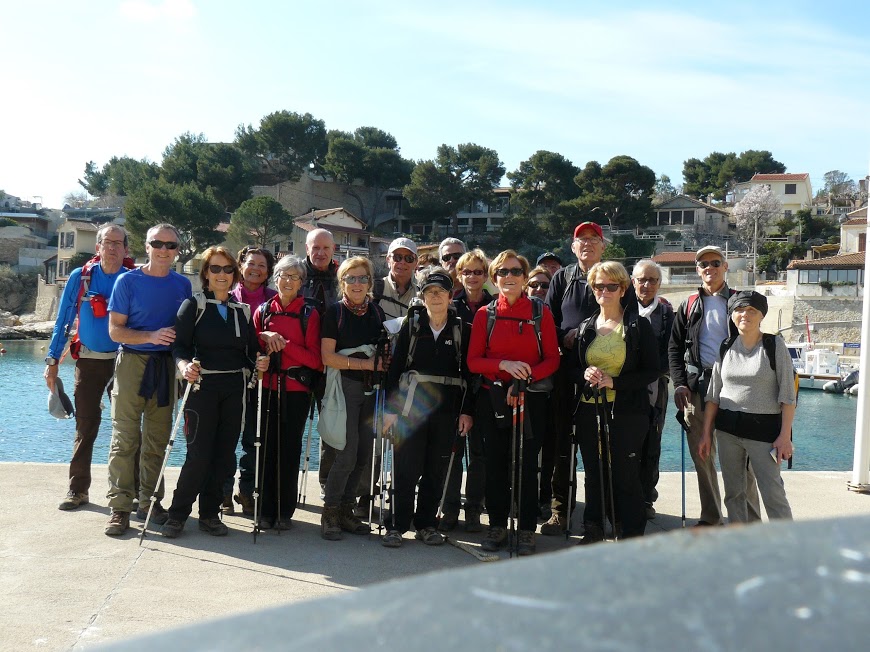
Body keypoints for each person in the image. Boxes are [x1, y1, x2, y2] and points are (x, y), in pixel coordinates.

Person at [161, 247, 269, 538]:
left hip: (235, 390)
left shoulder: (242, 310)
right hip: (201, 388)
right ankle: (177, 514)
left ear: (234, 274)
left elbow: (249, 351)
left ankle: (209, 514)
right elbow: (179, 347)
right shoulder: (192, 306)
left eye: (227, 269)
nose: (222, 275)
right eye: (215, 269)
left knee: (223, 456)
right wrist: (184, 365)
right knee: (198, 455)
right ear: (206, 274)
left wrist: (259, 359)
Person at [541, 221, 636, 536]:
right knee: (561, 445)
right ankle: (560, 512)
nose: (587, 244)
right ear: (572, 246)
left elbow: (631, 323)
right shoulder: (562, 278)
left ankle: (608, 513)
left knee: (605, 449)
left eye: (594, 239)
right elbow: (546, 322)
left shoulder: (618, 280)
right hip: (568, 373)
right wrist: (566, 334)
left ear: (603, 245)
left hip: (606, 375)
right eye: (581, 239)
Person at [467, 250, 560, 556]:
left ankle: (525, 530)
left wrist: (525, 379)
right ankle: (496, 524)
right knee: (495, 462)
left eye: (516, 271)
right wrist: (505, 366)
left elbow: (552, 359)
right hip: (492, 397)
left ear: (525, 276)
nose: (509, 277)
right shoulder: (485, 314)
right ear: (494, 278)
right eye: (503, 272)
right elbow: (473, 361)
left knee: (527, 464)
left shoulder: (540, 312)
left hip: (530, 399)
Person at [104, 223, 192, 536]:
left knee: (158, 440)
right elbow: (115, 331)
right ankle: (120, 508)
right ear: (147, 245)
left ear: (178, 251)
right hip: (131, 364)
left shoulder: (182, 286)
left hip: (166, 368)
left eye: (171, 245)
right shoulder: (127, 282)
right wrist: (151, 335)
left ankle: (150, 502)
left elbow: (186, 333)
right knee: (125, 438)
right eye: (158, 244)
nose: (164, 250)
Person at [380, 269, 474, 548]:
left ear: (450, 296)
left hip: (447, 410)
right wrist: (389, 409)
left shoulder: (461, 329)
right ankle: (396, 526)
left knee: (436, 468)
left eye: (441, 291)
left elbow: (470, 376)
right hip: (411, 408)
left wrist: (467, 411)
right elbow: (395, 369)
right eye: (430, 291)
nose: (435, 296)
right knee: (405, 467)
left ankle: (427, 524)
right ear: (422, 296)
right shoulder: (412, 325)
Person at [669, 246, 761, 527]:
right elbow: (674, 348)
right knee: (702, 454)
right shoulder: (688, 305)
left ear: (725, 267)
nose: (709, 267)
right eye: (703, 264)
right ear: (697, 270)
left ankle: (748, 521)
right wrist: (679, 385)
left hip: (735, 389)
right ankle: (711, 517)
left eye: (715, 263)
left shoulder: (740, 303)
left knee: (742, 457)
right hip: (698, 388)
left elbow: (756, 342)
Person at [45, 224, 133, 511]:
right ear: (98, 247)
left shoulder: (132, 280)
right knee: (85, 426)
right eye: (107, 242)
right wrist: (52, 361)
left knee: (128, 430)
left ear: (126, 249)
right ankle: (77, 490)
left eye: (118, 243)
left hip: (125, 362)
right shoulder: (81, 277)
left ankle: (128, 493)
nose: (112, 248)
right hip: (89, 360)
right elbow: (64, 320)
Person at [573, 262, 659, 544]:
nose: (604, 291)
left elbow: (651, 370)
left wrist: (615, 382)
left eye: (611, 286)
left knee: (626, 473)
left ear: (623, 289)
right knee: (594, 472)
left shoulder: (637, 326)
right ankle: (593, 528)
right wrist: (585, 372)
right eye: (598, 286)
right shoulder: (586, 327)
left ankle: (631, 534)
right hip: (589, 409)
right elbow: (572, 368)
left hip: (627, 412)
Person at [699, 291, 795, 523]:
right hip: (728, 432)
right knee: (733, 493)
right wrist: (706, 434)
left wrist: (785, 437)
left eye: (751, 310)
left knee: (772, 493)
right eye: (739, 310)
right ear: (732, 315)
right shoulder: (726, 346)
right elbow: (713, 395)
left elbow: (788, 397)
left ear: (762, 315)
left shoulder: (774, 346)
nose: (745, 315)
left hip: (764, 434)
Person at [318, 256, 386, 540]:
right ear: (342, 282)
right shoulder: (334, 313)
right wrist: (365, 364)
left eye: (362, 278)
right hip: (343, 389)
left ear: (370, 282)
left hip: (370, 391)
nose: (357, 284)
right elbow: (328, 357)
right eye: (351, 278)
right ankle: (330, 512)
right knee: (345, 453)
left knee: (363, 455)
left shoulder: (377, 313)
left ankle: (347, 511)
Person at [253, 255, 322, 530]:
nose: (289, 281)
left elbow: (316, 360)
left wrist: (282, 343)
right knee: (265, 448)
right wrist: (264, 338)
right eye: (284, 275)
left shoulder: (309, 313)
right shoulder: (263, 311)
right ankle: (264, 509)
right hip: (268, 387)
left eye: (295, 277)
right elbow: (253, 346)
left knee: (288, 450)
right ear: (275, 278)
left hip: (296, 391)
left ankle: (284, 511)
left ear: (302, 283)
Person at [441, 248, 493, 532]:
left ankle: (474, 509)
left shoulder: (496, 307)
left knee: (481, 455)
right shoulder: (451, 307)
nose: (472, 276)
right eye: (467, 271)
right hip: (456, 388)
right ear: (458, 274)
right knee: (452, 451)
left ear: (486, 275)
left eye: (478, 271)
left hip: (484, 387)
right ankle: (449, 509)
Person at [224, 246, 277, 516]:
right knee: (225, 435)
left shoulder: (275, 299)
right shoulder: (227, 296)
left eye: (262, 265)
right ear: (241, 265)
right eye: (250, 263)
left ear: (268, 272)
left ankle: (247, 492)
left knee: (252, 439)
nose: (255, 269)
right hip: (230, 375)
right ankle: (222, 491)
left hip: (261, 377)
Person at [631, 259, 675, 520]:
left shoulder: (668, 313)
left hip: (656, 386)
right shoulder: (621, 309)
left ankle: (646, 498)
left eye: (652, 280)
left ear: (659, 283)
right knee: (624, 443)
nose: (646, 285)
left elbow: (671, 351)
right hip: (624, 388)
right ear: (632, 281)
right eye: (641, 279)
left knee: (651, 444)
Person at [526, 265, 554, 516]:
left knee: (547, 451)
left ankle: (545, 499)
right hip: (523, 392)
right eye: (534, 284)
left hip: (550, 392)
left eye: (545, 285)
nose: (539, 289)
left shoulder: (555, 313)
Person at [375, 237, 419, 320]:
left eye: (408, 258)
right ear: (388, 260)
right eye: (397, 257)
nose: (402, 262)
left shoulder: (423, 293)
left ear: (415, 263)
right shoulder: (373, 289)